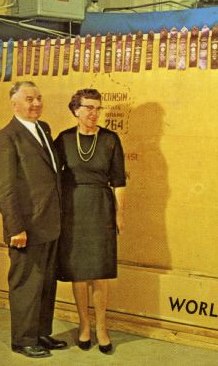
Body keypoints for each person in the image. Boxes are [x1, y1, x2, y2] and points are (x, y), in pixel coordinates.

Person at [0, 81, 67, 358]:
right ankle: (22, 340)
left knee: (46, 284)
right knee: (26, 285)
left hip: (49, 224)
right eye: (29, 99)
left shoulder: (43, 129)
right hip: (26, 229)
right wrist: (16, 227)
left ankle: (41, 334)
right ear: (15, 105)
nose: (36, 104)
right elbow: (4, 189)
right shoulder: (5, 138)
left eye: (38, 98)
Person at [56, 88, 126, 355]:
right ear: (76, 110)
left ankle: (102, 327)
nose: (94, 113)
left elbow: (119, 181)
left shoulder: (110, 139)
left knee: (99, 271)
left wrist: (119, 214)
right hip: (72, 209)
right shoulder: (63, 140)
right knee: (79, 271)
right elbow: (52, 178)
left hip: (101, 208)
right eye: (88, 107)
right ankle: (84, 326)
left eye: (98, 108)